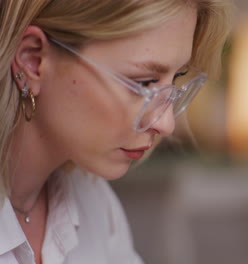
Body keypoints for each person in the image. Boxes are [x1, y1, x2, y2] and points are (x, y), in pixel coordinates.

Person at [0, 0, 233, 263]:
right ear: (33, 60)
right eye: (142, 82)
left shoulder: (94, 206)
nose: (166, 124)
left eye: (176, 78)